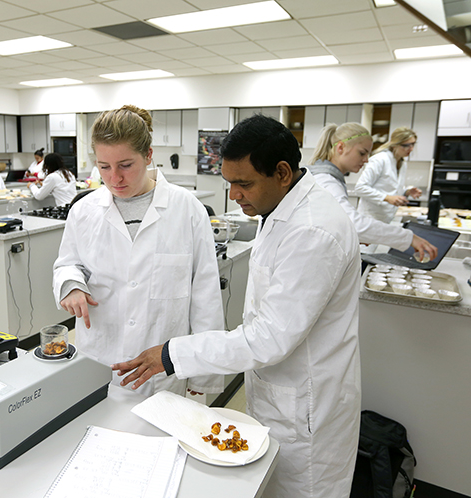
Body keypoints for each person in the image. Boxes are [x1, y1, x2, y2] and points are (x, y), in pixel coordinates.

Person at [112, 115, 362, 498]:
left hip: (307, 410)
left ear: (281, 172)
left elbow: (269, 338)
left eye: (243, 184)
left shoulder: (312, 230)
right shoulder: (281, 208)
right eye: (230, 183)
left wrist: (172, 354)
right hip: (280, 395)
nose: (234, 195)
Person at [52, 105, 224, 398]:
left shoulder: (187, 209)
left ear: (148, 155)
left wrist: (201, 376)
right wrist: (71, 286)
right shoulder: (83, 211)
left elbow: (205, 296)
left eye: (126, 165)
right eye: (104, 167)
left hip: (162, 369)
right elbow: (67, 264)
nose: (114, 178)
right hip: (100, 359)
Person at [309, 123, 437, 261]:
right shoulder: (326, 180)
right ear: (340, 147)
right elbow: (352, 223)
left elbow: (331, 223)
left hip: (370, 228)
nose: (366, 160)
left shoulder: (330, 178)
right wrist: (408, 238)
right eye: (362, 153)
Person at [354, 127, 422, 223]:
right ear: (394, 145)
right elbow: (360, 188)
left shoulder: (402, 163)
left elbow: (391, 188)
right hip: (369, 218)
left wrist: (406, 192)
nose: (411, 149)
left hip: (386, 218)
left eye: (413, 144)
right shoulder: (380, 160)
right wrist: (387, 198)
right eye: (406, 145)